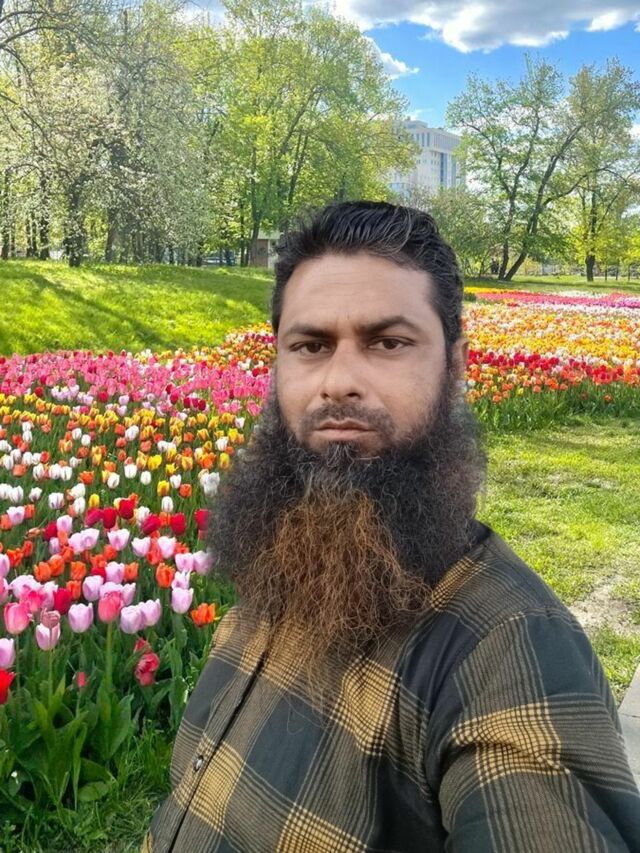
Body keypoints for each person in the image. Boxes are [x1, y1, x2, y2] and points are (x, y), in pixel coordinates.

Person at [143, 201, 640, 852]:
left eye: (388, 342)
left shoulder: (508, 650)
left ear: (455, 367)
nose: (339, 382)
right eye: (310, 345)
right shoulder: (286, 558)